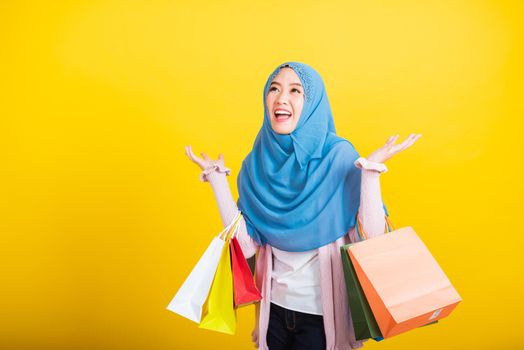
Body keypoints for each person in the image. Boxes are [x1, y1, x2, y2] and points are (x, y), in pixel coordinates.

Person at [185, 62, 422, 350]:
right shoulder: (255, 165)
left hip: (323, 318)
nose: (281, 98)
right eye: (274, 88)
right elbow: (246, 248)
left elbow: (371, 238)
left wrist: (370, 171)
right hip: (273, 313)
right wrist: (217, 181)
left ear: (312, 103)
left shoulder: (338, 156)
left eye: (295, 91)